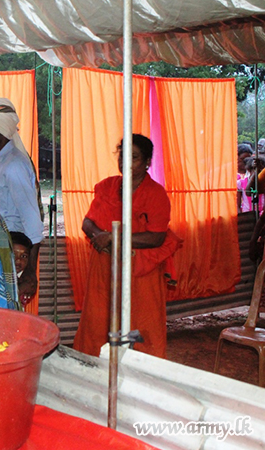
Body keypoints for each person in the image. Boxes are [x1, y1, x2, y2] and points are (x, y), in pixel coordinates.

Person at [73, 134, 181, 358]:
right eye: (122, 157)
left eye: (134, 157)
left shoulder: (156, 193)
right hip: (105, 266)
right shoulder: (107, 186)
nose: (126, 163)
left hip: (141, 270)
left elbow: (157, 237)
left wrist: (114, 238)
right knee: (99, 318)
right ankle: (97, 366)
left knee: (141, 322)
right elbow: (87, 222)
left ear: (148, 162)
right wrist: (100, 236)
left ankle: (139, 368)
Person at [0, 97, 44, 297]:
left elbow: (32, 220)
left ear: (2, 130)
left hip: (15, 254)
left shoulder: (14, 165)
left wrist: (30, 270)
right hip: (1, 249)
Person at [237, 143, 254, 213]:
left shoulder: (251, 174)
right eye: (243, 159)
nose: (246, 162)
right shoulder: (230, 175)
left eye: (249, 159)